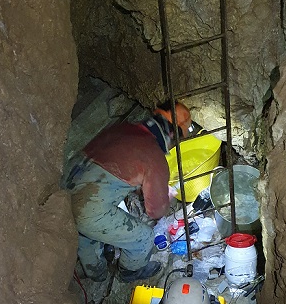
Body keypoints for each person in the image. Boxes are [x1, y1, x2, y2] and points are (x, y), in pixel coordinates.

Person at [63, 102, 192, 283]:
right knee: (144, 238)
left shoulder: (122, 128)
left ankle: (96, 273)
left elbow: (116, 167)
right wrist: (166, 196)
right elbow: (155, 211)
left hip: (63, 191)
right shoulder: (154, 156)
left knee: (85, 232)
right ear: (173, 134)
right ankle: (129, 272)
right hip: (88, 209)